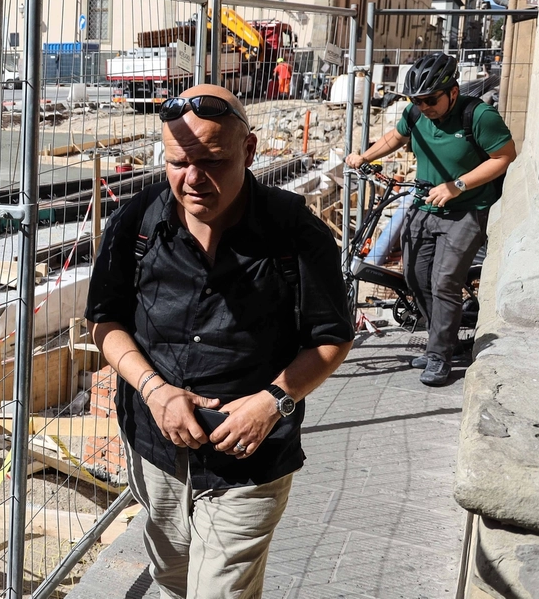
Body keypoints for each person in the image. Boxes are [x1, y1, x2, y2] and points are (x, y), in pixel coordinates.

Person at [87, 84, 355, 599]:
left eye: (211, 161)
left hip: (252, 459)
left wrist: (272, 402)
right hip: (157, 448)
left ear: (249, 151)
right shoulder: (136, 222)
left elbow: (331, 339)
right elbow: (104, 322)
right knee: (170, 578)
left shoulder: (295, 233)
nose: (192, 180)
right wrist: (155, 391)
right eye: (176, 163)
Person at [346, 53, 516, 385]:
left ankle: (439, 354)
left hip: (466, 209)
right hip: (425, 206)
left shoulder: (478, 116)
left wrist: (458, 185)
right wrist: (364, 156)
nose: (424, 107)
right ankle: (446, 339)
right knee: (413, 275)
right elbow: (395, 138)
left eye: (430, 100)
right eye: (417, 101)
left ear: (452, 91)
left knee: (445, 282)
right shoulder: (415, 114)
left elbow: (505, 156)